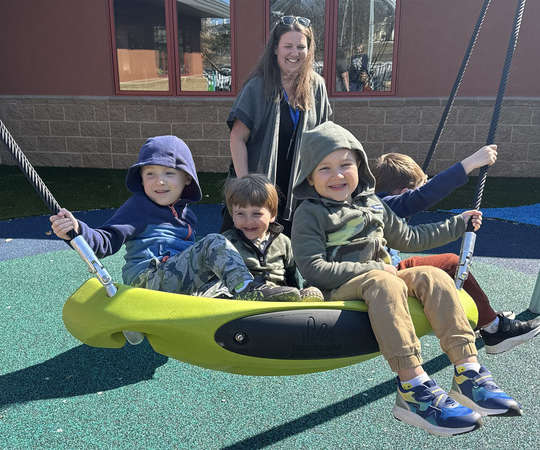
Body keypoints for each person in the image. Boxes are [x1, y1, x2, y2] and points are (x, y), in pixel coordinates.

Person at [291, 122, 521, 437]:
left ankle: (468, 373)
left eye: (345, 165)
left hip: (384, 278)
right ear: (309, 176)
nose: (337, 175)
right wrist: (371, 270)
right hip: (340, 287)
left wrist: (457, 225)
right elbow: (314, 267)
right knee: (385, 280)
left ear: (359, 165)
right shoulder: (310, 213)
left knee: (432, 274)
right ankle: (412, 389)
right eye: (325, 169)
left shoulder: (372, 204)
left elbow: (410, 237)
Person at [49, 135, 301, 305]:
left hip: (175, 280)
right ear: (141, 178)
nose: (159, 181)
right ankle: (247, 290)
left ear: (187, 179)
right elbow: (107, 240)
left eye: (169, 173)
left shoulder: (185, 215)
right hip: (148, 281)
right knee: (213, 242)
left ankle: (243, 301)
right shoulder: (138, 206)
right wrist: (77, 230)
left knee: (219, 284)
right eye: (150, 174)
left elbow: (190, 263)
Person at [371, 149, 540, 354]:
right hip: (386, 274)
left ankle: (484, 316)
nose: (425, 188)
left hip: (388, 266)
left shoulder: (377, 202)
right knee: (451, 264)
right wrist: (470, 163)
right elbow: (420, 199)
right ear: (403, 193)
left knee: (447, 264)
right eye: (422, 184)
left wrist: (460, 222)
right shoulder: (383, 204)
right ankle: (494, 329)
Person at [225, 15, 332, 235]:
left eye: (301, 46)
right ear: (275, 49)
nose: (294, 53)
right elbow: (237, 137)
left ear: (309, 50)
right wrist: (246, 186)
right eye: (288, 46)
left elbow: (325, 139)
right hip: (258, 185)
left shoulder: (317, 86)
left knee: (289, 255)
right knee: (241, 252)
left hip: (297, 188)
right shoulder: (258, 87)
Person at [221, 174, 324, 302]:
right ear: (232, 215)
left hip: (278, 297)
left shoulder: (283, 242)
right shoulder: (226, 243)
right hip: (244, 298)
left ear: (272, 215)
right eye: (240, 213)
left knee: (311, 290)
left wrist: (305, 288)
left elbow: (295, 276)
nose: (248, 221)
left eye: (256, 214)